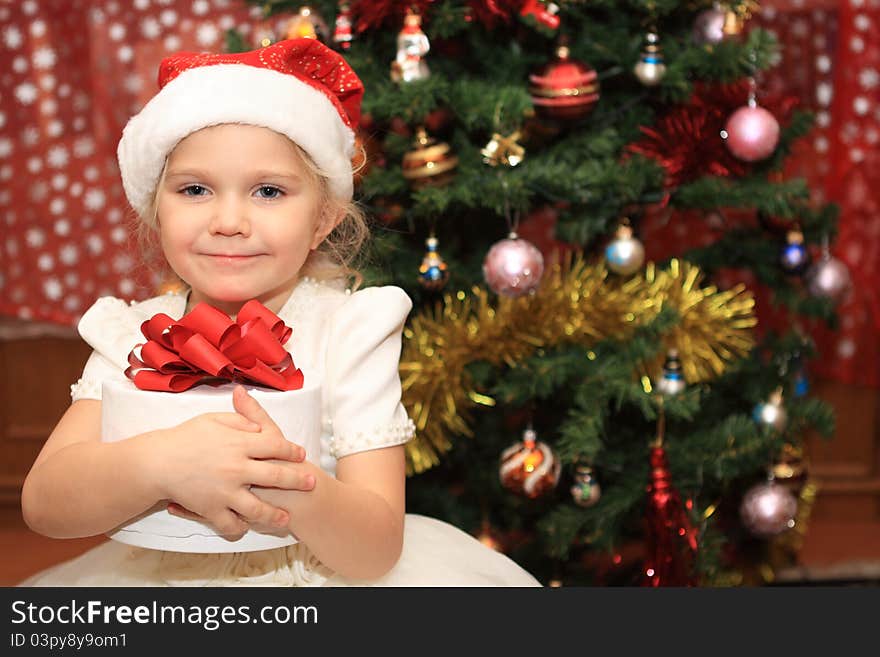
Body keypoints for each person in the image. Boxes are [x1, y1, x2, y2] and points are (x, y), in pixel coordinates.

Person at [18, 38, 541, 587]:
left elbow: (377, 551)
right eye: (195, 189)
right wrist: (159, 463)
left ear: (322, 220)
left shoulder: (350, 333)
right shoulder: (130, 333)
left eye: (268, 191)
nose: (228, 220)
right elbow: (46, 503)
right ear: (156, 211)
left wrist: (281, 483)